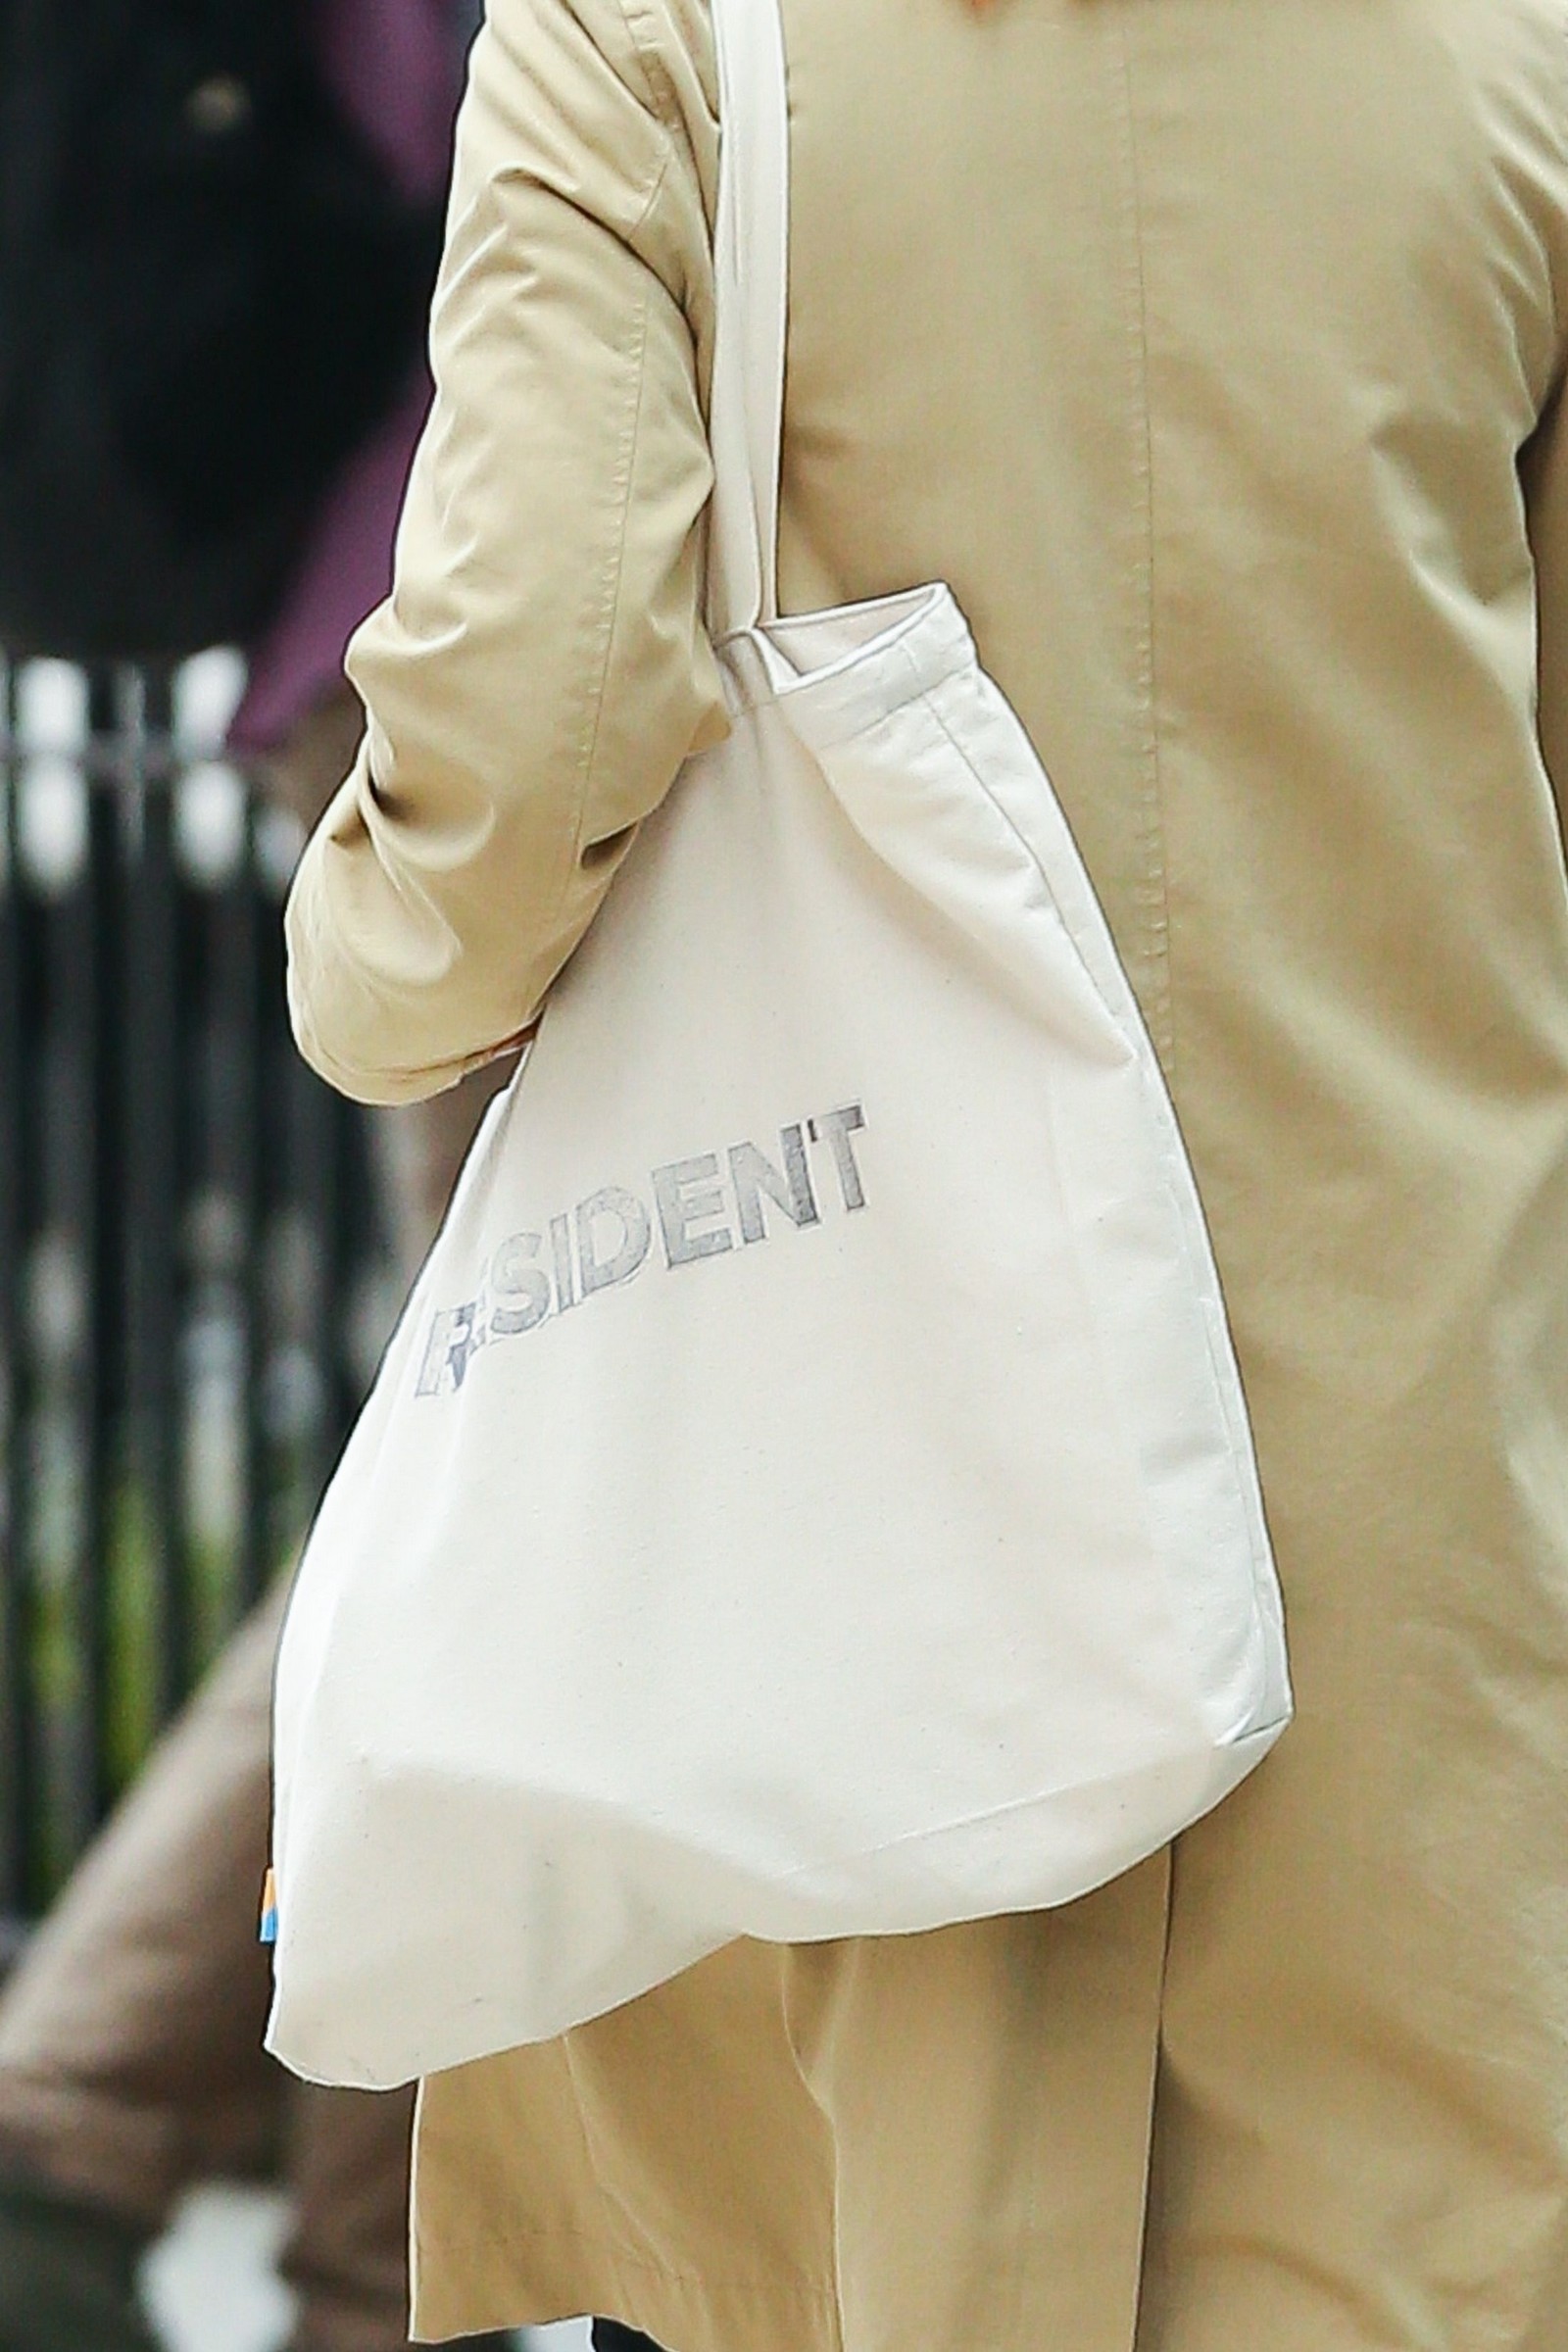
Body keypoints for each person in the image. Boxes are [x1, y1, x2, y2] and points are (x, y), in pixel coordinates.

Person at [282, 0, 1568, 2346]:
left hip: (856, 1515)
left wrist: (366, 966)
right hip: (1402, 1525)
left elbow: (529, 714)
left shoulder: (645, 35)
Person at [0, 4, 511, 2349]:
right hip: (477, 647)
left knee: (492, 1448)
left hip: (405, 635)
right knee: (510, 1456)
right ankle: (332, 2246)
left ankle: (121, 2135)